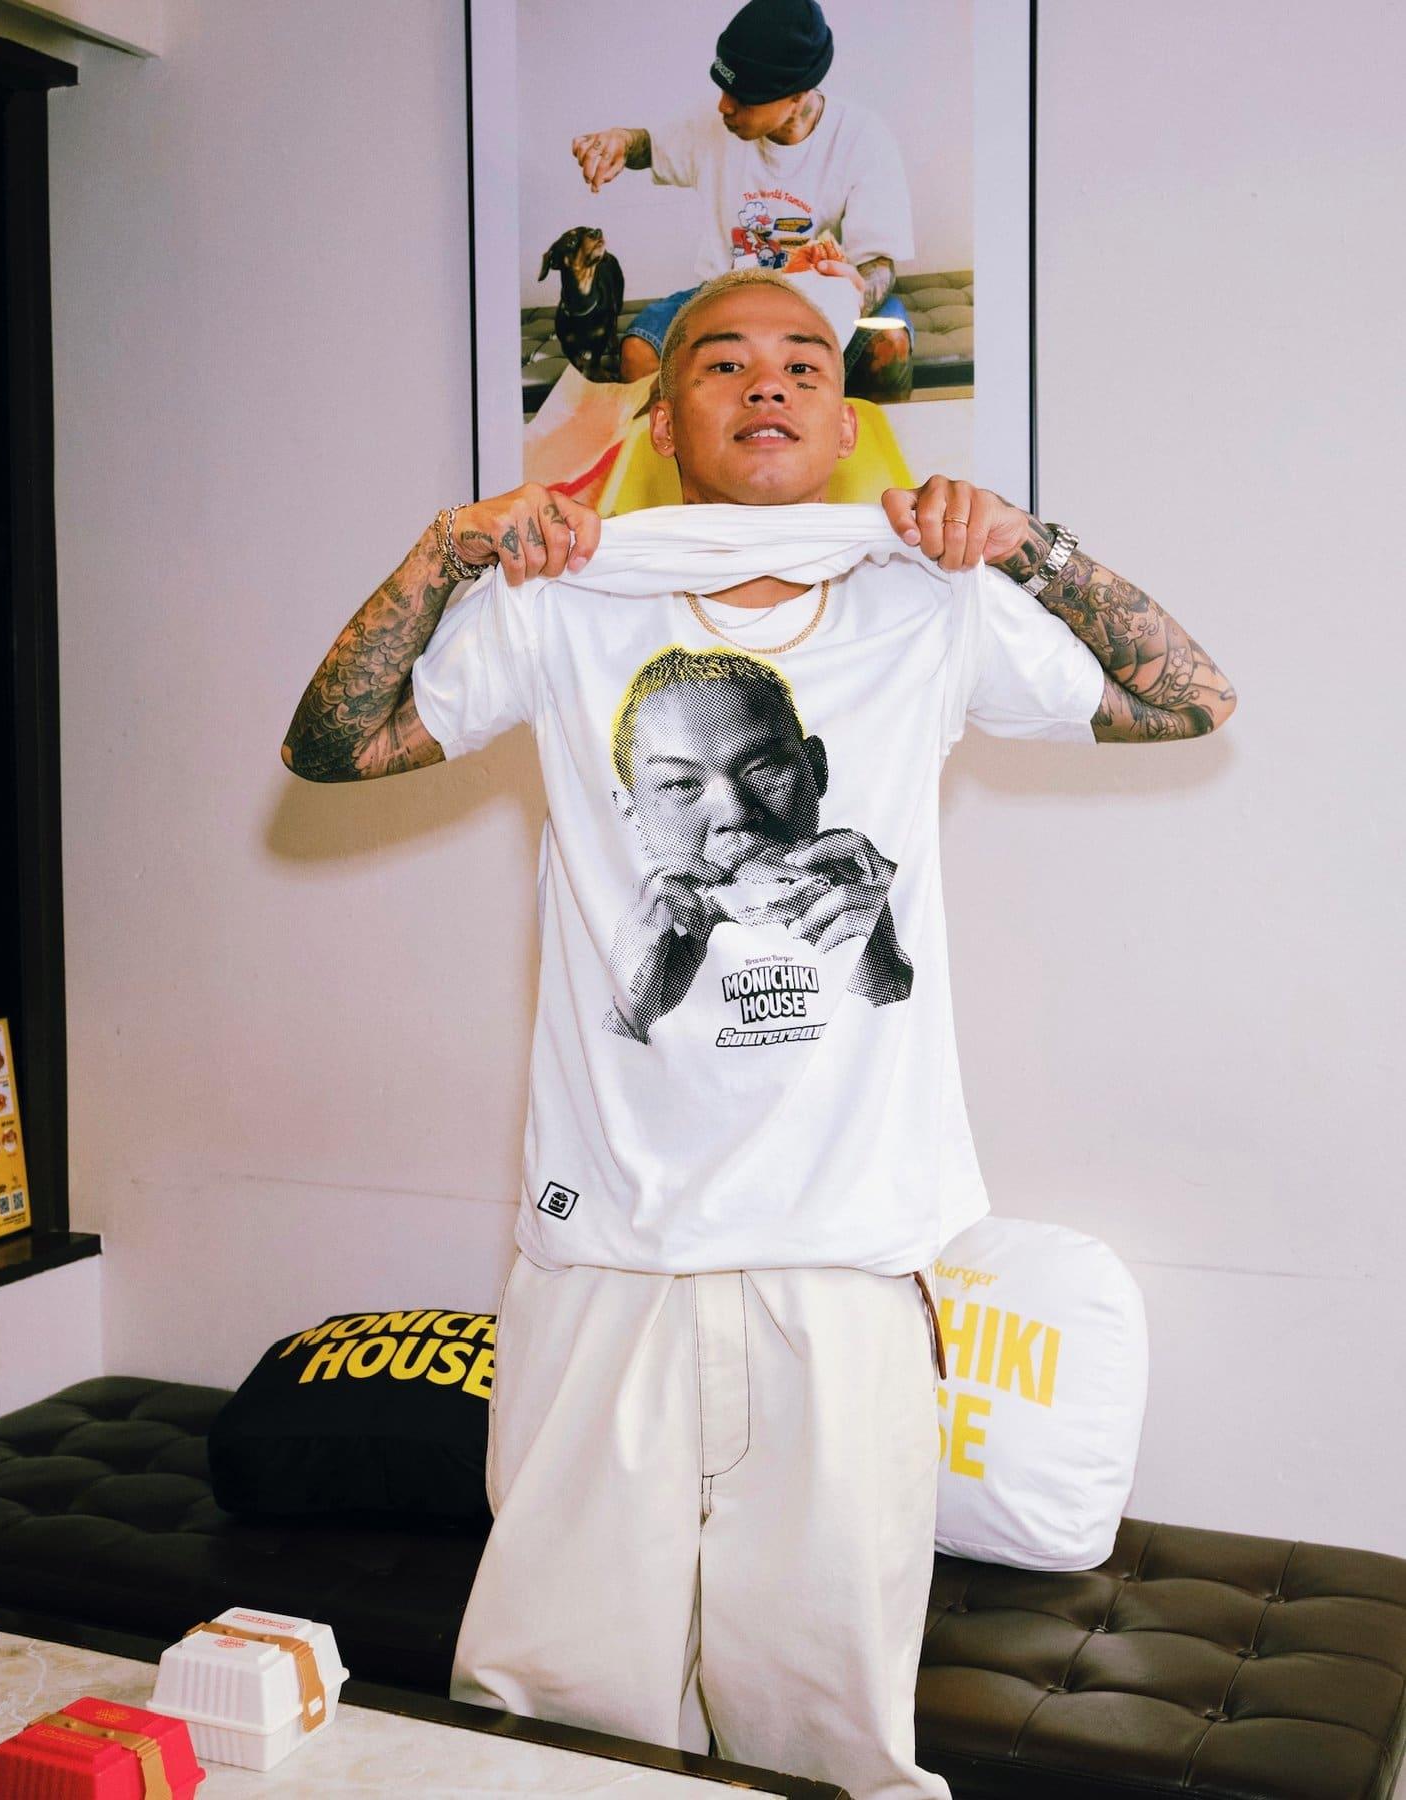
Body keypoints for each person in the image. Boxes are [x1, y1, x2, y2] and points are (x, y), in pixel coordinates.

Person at [280, 267, 1236, 1799]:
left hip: (846, 1260)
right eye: (723, 361)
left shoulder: (926, 604)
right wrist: (446, 551)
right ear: (664, 422)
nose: (768, 382)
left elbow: (1188, 700)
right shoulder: (559, 606)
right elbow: (334, 746)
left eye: (803, 360)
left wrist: (1027, 547)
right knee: (556, 1718)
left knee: (830, 1728)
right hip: (608, 1257)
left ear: (846, 417)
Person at [571, 0, 917, 400]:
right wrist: (620, 141)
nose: (725, 106)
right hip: (725, 297)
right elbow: (648, 147)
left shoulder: (862, 139)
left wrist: (853, 296)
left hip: (820, 306)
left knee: (888, 345)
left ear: (798, 96)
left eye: (744, 98)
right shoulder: (712, 125)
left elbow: (877, 265)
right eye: (723, 89)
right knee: (638, 355)